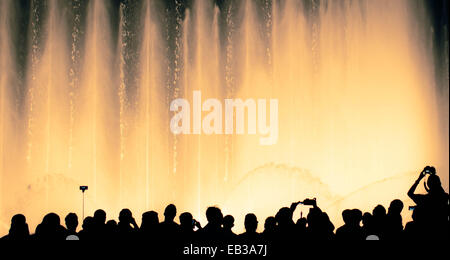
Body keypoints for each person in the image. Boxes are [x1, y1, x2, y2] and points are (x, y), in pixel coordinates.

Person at [407, 166, 449, 239]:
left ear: (428, 185)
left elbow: (410, 193)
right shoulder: (444, 197)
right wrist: (433, 176)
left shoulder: (424, 199)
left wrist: (419, 178)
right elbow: (440, 190)